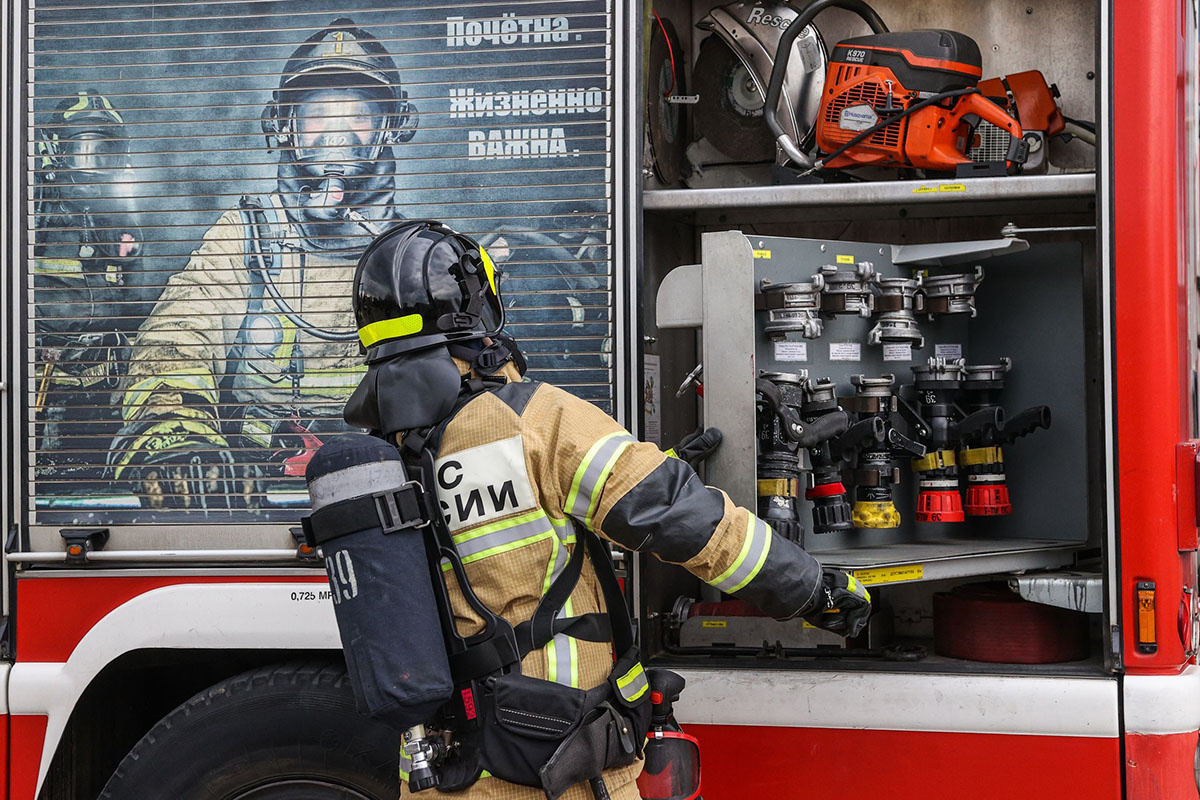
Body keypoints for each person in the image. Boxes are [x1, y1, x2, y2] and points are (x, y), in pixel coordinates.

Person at [343, 220, 873, 799]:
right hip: (554, 763)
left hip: (443, 773)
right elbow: (681, 516)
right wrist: (812, 589)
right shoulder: (533, 420)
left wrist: (656, 466)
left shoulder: (379, 458)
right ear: (479, 306)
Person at [109, 18, 418, 513]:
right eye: (317, 116)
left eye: (358, 115)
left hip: (388, 489)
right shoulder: (248, 235)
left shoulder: (419, 255)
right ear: (283, 126)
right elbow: (180, 332)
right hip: (260, 485)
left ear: (393, 127)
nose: (336, 136)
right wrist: (178, 436)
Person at [33, 90, 143, 489]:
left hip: (106, 392)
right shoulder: (35, 212)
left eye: (103, 152)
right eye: (81, 150)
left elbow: (136, 299)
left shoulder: (119, 216)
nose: (93, 165)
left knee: (106, 490)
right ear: (55, 153)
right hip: (48, 392)